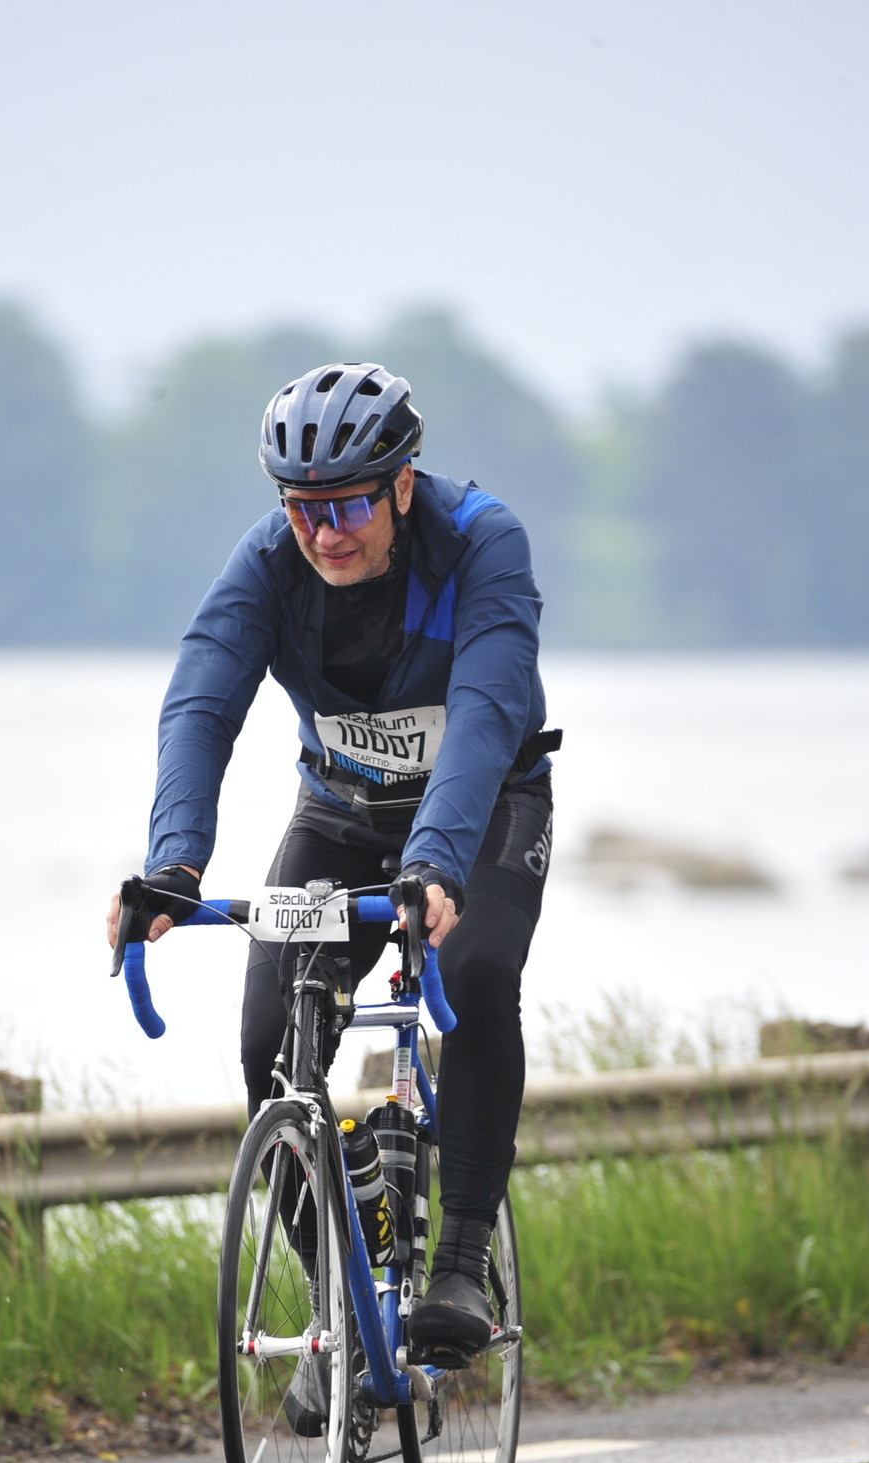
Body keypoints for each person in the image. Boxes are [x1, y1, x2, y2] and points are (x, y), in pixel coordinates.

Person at [107, 361, 556, 1368]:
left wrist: (436, 864)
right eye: (303, 508)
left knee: (478, 971)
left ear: (403, 485)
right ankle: (340, 1314)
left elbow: (485, 712)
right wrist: (173, 866)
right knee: (270, 1037)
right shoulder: (269, 562)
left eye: (349, 504)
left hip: (485, 806)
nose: (324, 532)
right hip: (342, 815)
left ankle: (460, 1262)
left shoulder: (482, 541)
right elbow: (200, 704)